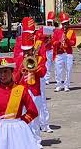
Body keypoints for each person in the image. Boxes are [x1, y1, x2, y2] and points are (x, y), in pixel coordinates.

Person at [0, 57, 39, 149]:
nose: (2, 75)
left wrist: (20, 122)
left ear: (12, 72)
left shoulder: (21, 89)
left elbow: (33, 111)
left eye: (5, 71)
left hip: (17, 132)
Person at [13, 17, 47, 148]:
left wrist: (35, 66)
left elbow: (43, 72)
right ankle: (24, 141)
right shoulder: (19, 58)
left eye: (29, 49)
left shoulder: (38, 56)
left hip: (34, 90)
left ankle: (36, 141)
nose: (27, 52)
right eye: (25, 50)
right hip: (21, 89)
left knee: (35, 116)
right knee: (22, 117)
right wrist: (21, 68)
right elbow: (15, 77)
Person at [52, 12, 76, 92]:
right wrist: (58, 42)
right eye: (64, 24)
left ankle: (66, 85)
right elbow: (53, 42)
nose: (66, 25)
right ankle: (58, 85)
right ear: (62, 24)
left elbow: (74, 43)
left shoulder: (71, 32)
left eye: (67, 23)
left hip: (68, 53)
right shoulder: (57, 32)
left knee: (68, 70)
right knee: (58, 70)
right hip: (59, 53)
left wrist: (67, 40)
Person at [35, 11, 56, 86]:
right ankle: (44, 78)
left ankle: (50, 79)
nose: (49, 23)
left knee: (50, 64)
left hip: (51, 49)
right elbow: (38, 35)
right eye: (48, 22)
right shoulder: (43, 28)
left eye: (51, 22)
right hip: (44, 49)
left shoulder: (54, 29)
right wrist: (45, 35)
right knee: (44, 64)